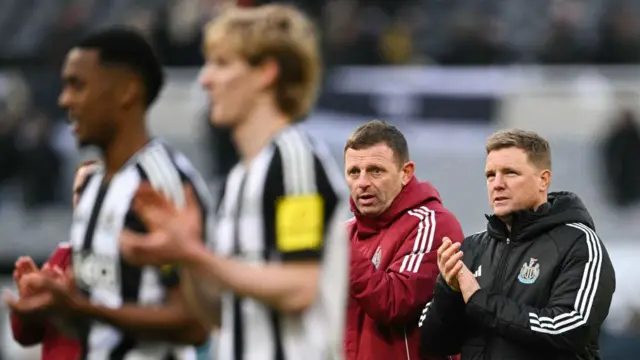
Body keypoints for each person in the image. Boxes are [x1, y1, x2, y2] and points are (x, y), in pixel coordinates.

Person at [119, 4, 350, 360]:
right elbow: (218, 314)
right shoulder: (238, 178)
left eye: (222, 64)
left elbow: (300, 287)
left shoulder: (293, 159)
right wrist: (186, 255)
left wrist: (194, 253)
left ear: (266, 73)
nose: (205, 79)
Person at [3, 28, 212, 359]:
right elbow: (100, 327)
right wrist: (52, 307)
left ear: (127, 91)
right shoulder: (94, 194)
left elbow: (195, 322)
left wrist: (81, 308)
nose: (65, 100)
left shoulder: (159, 182)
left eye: (79, 85)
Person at [419, 129, 616, 359]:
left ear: (543, 180)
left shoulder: (578, 242)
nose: (497, 184)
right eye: (490, 175)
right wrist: (448, 290)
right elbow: (433, 343)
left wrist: (480, 301)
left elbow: (572, 329)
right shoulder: (473, 248)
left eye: (510, 173)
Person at [342, 120, 464, 360]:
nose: (363, 182)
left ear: (406, 173)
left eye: (376, 170)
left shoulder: (432, 224)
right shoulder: (344, 233)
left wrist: (341, 250)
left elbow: (396, 302)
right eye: (354, 172)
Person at [8, 162, 97, 360]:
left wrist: (67, 303)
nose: (82, 198)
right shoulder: (61, 257)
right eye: (77, 191)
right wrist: (29, 302)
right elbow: (25, 336)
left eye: (91, 188)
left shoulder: (134, 257)